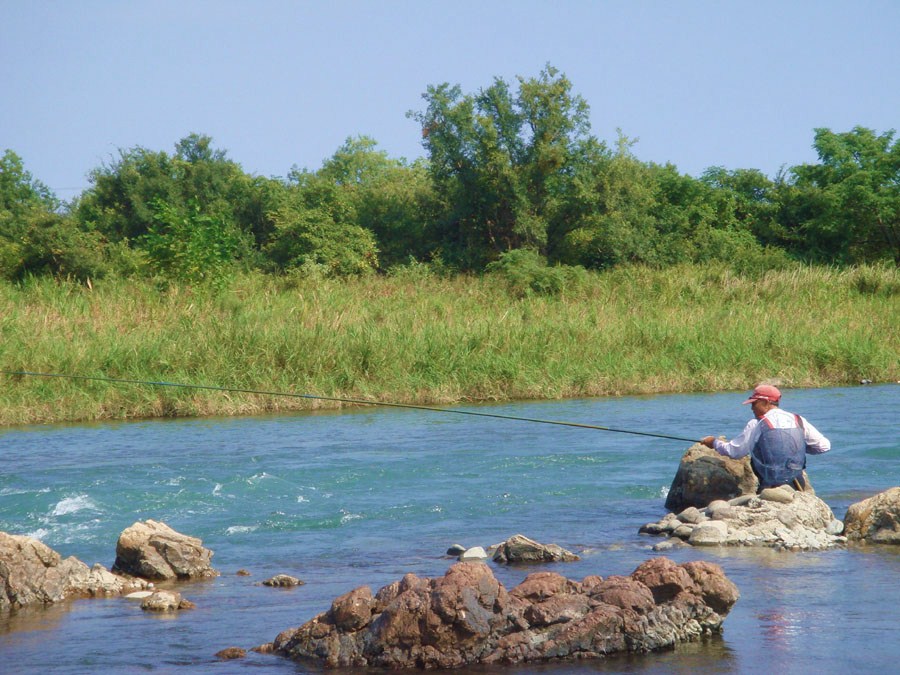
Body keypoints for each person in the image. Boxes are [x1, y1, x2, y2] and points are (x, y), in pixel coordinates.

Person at [700, 384, 830, 490]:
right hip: (798, 484)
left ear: (765, 402)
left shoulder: (756, 424)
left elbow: (735, 451)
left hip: (770, 487)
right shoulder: (798, 419)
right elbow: (824, 446)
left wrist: (714, 442)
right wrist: (797, 446)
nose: (751, 408)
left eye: (754, 403)